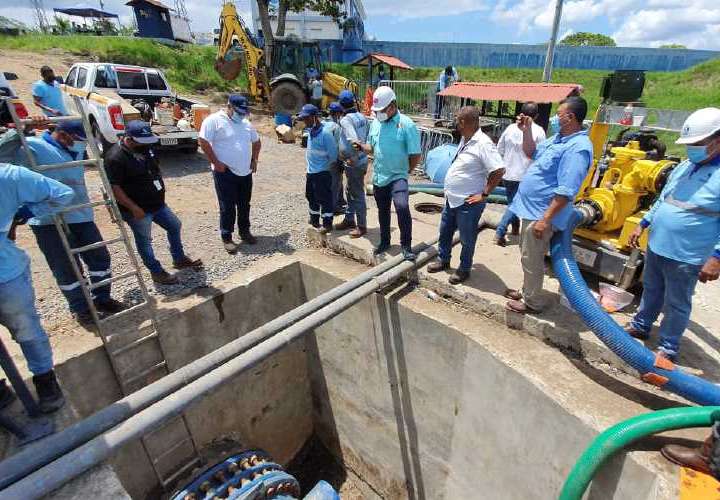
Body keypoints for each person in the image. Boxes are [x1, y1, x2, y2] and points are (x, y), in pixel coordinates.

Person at [623, 108, 720, 362]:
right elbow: (664, 199)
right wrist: (642, 223)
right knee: (651, 288)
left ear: (716, 141)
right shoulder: (686, 166)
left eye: (696, 144)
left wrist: (716, 257)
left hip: (687, 254)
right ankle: (642, 325)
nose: (691, 149)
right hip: (658, 245)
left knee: (677, 302)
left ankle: (668, 346)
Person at [13, 120, 126, 327]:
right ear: (64, 135)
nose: (82, 145)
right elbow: (5, 158)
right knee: (65, 267)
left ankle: (102, 299)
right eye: (79, 140)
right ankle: (81, 309)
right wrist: (17, 132)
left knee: (99, 257)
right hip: (49, 220)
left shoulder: (74, 150)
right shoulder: (33, 147)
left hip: (81, 215)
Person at [504, 96, 593, 314]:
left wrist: (546, 219)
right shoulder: (558, 139)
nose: (555, 118)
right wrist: (526, 130)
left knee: (532, 257)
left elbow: (566, 190)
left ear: (570, 117)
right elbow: (531, 152)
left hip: (542, 214)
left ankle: (532, 302)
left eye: (559, 114)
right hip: (531, 209)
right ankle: (527, 289)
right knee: (527, 254)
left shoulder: (578, 148)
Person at [1, 162, 74, 413]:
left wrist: (24, 214)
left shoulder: (9, 175)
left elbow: (63, 194)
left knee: (26, 329)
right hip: (7, 272)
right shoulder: (10, 175)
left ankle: (44, 378)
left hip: (5, 273)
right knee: (26, 328)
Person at [105, 121, 202, 285]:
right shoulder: (115, 158)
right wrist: (133, 208)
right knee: (145, 241)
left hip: (157, 203)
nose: (147, 145)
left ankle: (179, 258)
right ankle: (156, 272)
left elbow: (154, 166)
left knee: (174, 225)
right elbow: (115, 188)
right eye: (143, 142)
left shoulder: (145, 147)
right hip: (138, 209)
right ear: (129, 139)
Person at [427, 107, 505, 284]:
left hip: (469, 202)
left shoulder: (483, 143)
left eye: (458, 120)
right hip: (452, 199)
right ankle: (443, 259)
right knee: (445, 231)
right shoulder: (465, 138)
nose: (456, 123)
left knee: (467, 238)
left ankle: (464, 268)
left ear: (465, 122)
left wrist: (484, 194)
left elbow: (499, 170)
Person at [355, 86, 421, 260]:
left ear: (392, 105)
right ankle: (385, 241)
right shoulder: (376, 123)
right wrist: (362, 147)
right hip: (379, 176)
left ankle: (406, 246)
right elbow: (372, 148)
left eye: (382, 110)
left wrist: (406, 171)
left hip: (398, 176)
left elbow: (416, 154)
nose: (378, 114)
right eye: (376, 111)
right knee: (382, 211)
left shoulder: (406, 124)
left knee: (402, 206)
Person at [198, 94, 262, 254]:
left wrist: (254, 159)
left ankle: (244, 231)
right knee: (227, 206)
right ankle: (227, 237)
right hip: (225, 172)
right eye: (239, 111)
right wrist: (216, 163)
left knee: (244, 204)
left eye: (244, 112)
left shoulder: (246, 123)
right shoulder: (214, 121)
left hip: (245, 172)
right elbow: (203, 141)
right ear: (229, 107)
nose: (242, 115)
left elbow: (257, 141)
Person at [494, 102, 547, 246]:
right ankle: (500, 232)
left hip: (507, 173)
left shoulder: (510, 128)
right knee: (515, 204)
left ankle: (515, 227)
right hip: (525, 175)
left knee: (513, 202)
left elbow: (500, 148)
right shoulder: (539, 131)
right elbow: (542, 155)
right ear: (536, 115)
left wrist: (502, 166)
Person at [334, 90, 369, 238]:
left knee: (357, 193)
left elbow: (354, 140)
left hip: (354, 162)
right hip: (362, 160)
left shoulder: (346, 120)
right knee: (350, 191)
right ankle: (349, 219)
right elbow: (367, 136)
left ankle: (361, 226)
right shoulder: (362, 117)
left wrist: (353, 157)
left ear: (341, 105)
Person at [299, 104, 338, 234]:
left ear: (315, 117)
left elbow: (333, 155)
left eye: (307, 118)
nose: (305, 121)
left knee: (324, 198)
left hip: (322, 172)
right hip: (311, 172)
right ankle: (314, 219)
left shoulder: (325, 134)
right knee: (310, 196)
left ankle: (327, 223)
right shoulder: (310, 131)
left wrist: (324, 168)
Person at [326, 101, 347, 214]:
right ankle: (334, 207)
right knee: (335, 182)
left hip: (324, 159)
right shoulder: (337, 127)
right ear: (338, 114)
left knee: (331, 182)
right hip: (334, 159)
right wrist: (341, 160)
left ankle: (340, 200)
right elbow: (339, 145)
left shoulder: (323, 124)